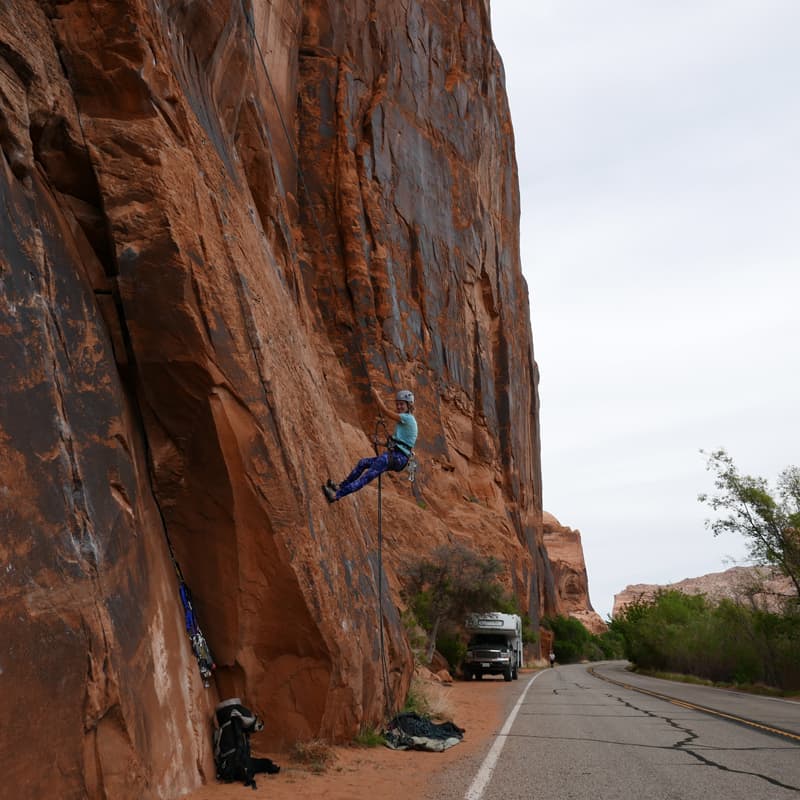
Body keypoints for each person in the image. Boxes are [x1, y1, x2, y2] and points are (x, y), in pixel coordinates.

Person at [323, 387, 417, 503]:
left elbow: (385, 411)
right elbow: (400, 443)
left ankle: (336, 495)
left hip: (398, 457)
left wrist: (376, 395)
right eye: (397, 404)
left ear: (409, 405)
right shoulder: (405, 421)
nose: (398, 407)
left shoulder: (407, 419)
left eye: (401, 404)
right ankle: (340, 487)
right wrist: (381, 442)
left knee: (366, 477)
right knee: (363, 463)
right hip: (397, 457)